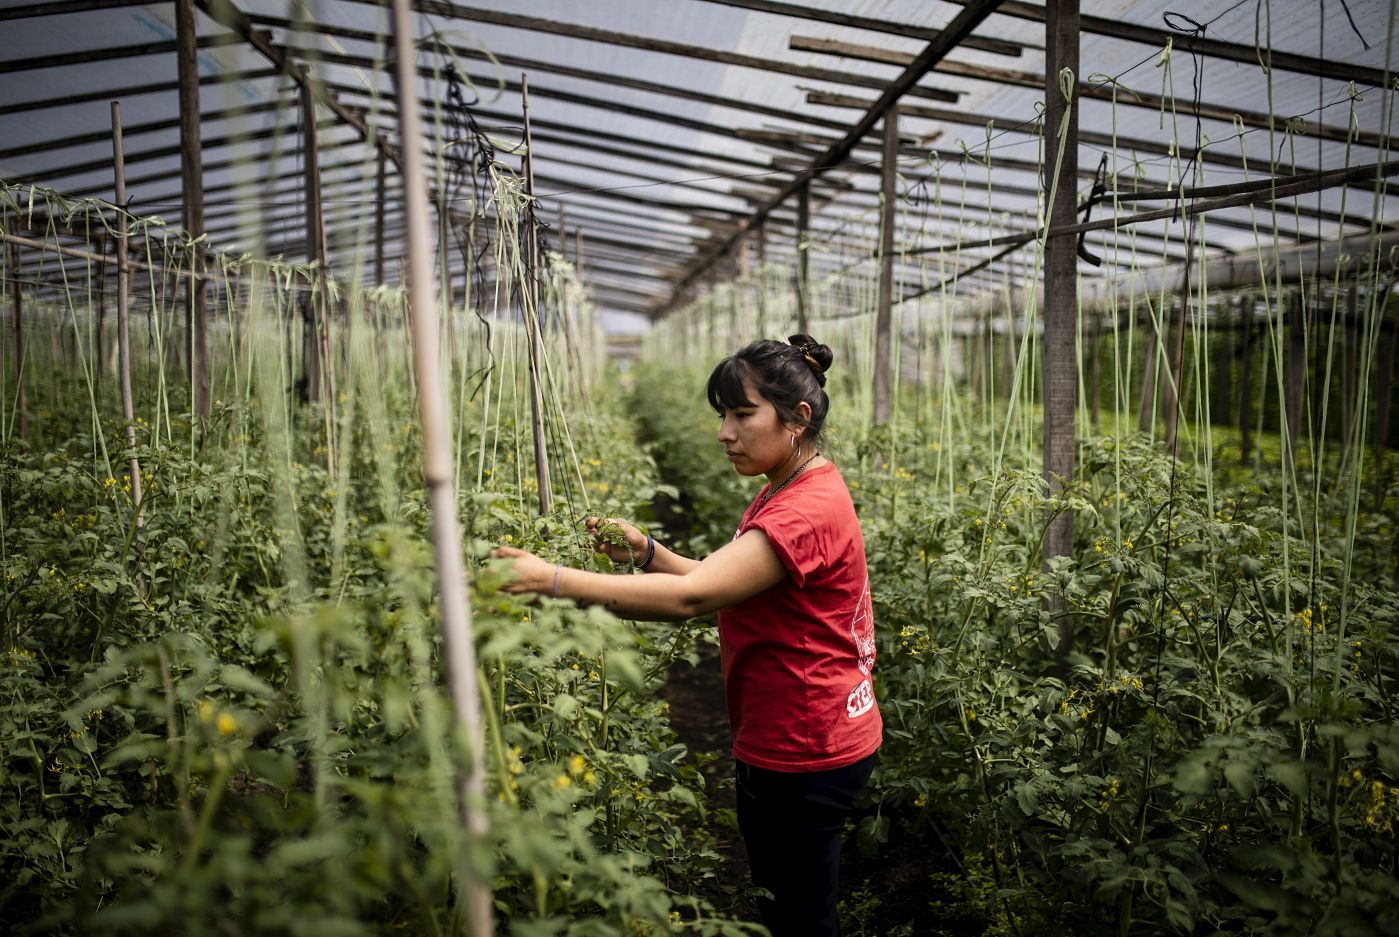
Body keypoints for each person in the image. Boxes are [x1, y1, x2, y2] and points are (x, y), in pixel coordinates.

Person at [494, 334, 882, 937]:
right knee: (792, 907)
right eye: (722, 415)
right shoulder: (792, 486)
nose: (725, 433)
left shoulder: (803, 510)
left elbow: (692, 598)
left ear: (798, 417)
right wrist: (648, 552)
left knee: (800, 920)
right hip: (809, 727)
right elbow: (723, 580)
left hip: (805, 743)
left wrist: (551, 580)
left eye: (742, 414)